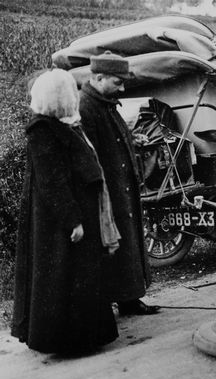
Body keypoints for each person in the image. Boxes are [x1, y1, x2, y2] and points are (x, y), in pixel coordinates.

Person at [12, 69, 120, 354]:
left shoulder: (64, 125)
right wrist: (72, 220)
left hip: (77, 213)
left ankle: (84, 337)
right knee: (65, 278)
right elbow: (52, 183)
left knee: (80, 276)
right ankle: (69, 341)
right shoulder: (43, 131)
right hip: (63, 223)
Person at [79, 51, 159, 315]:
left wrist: (132, 141)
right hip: (108, 192)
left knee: (127, 243)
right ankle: (115, 301)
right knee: (112, 246)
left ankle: (129, 298)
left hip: (122, 187)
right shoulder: (86, 108)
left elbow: (114, 139)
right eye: (118, 82)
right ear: (99, 77)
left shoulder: (106, 102)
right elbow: (88, 155)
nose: (123, 88)